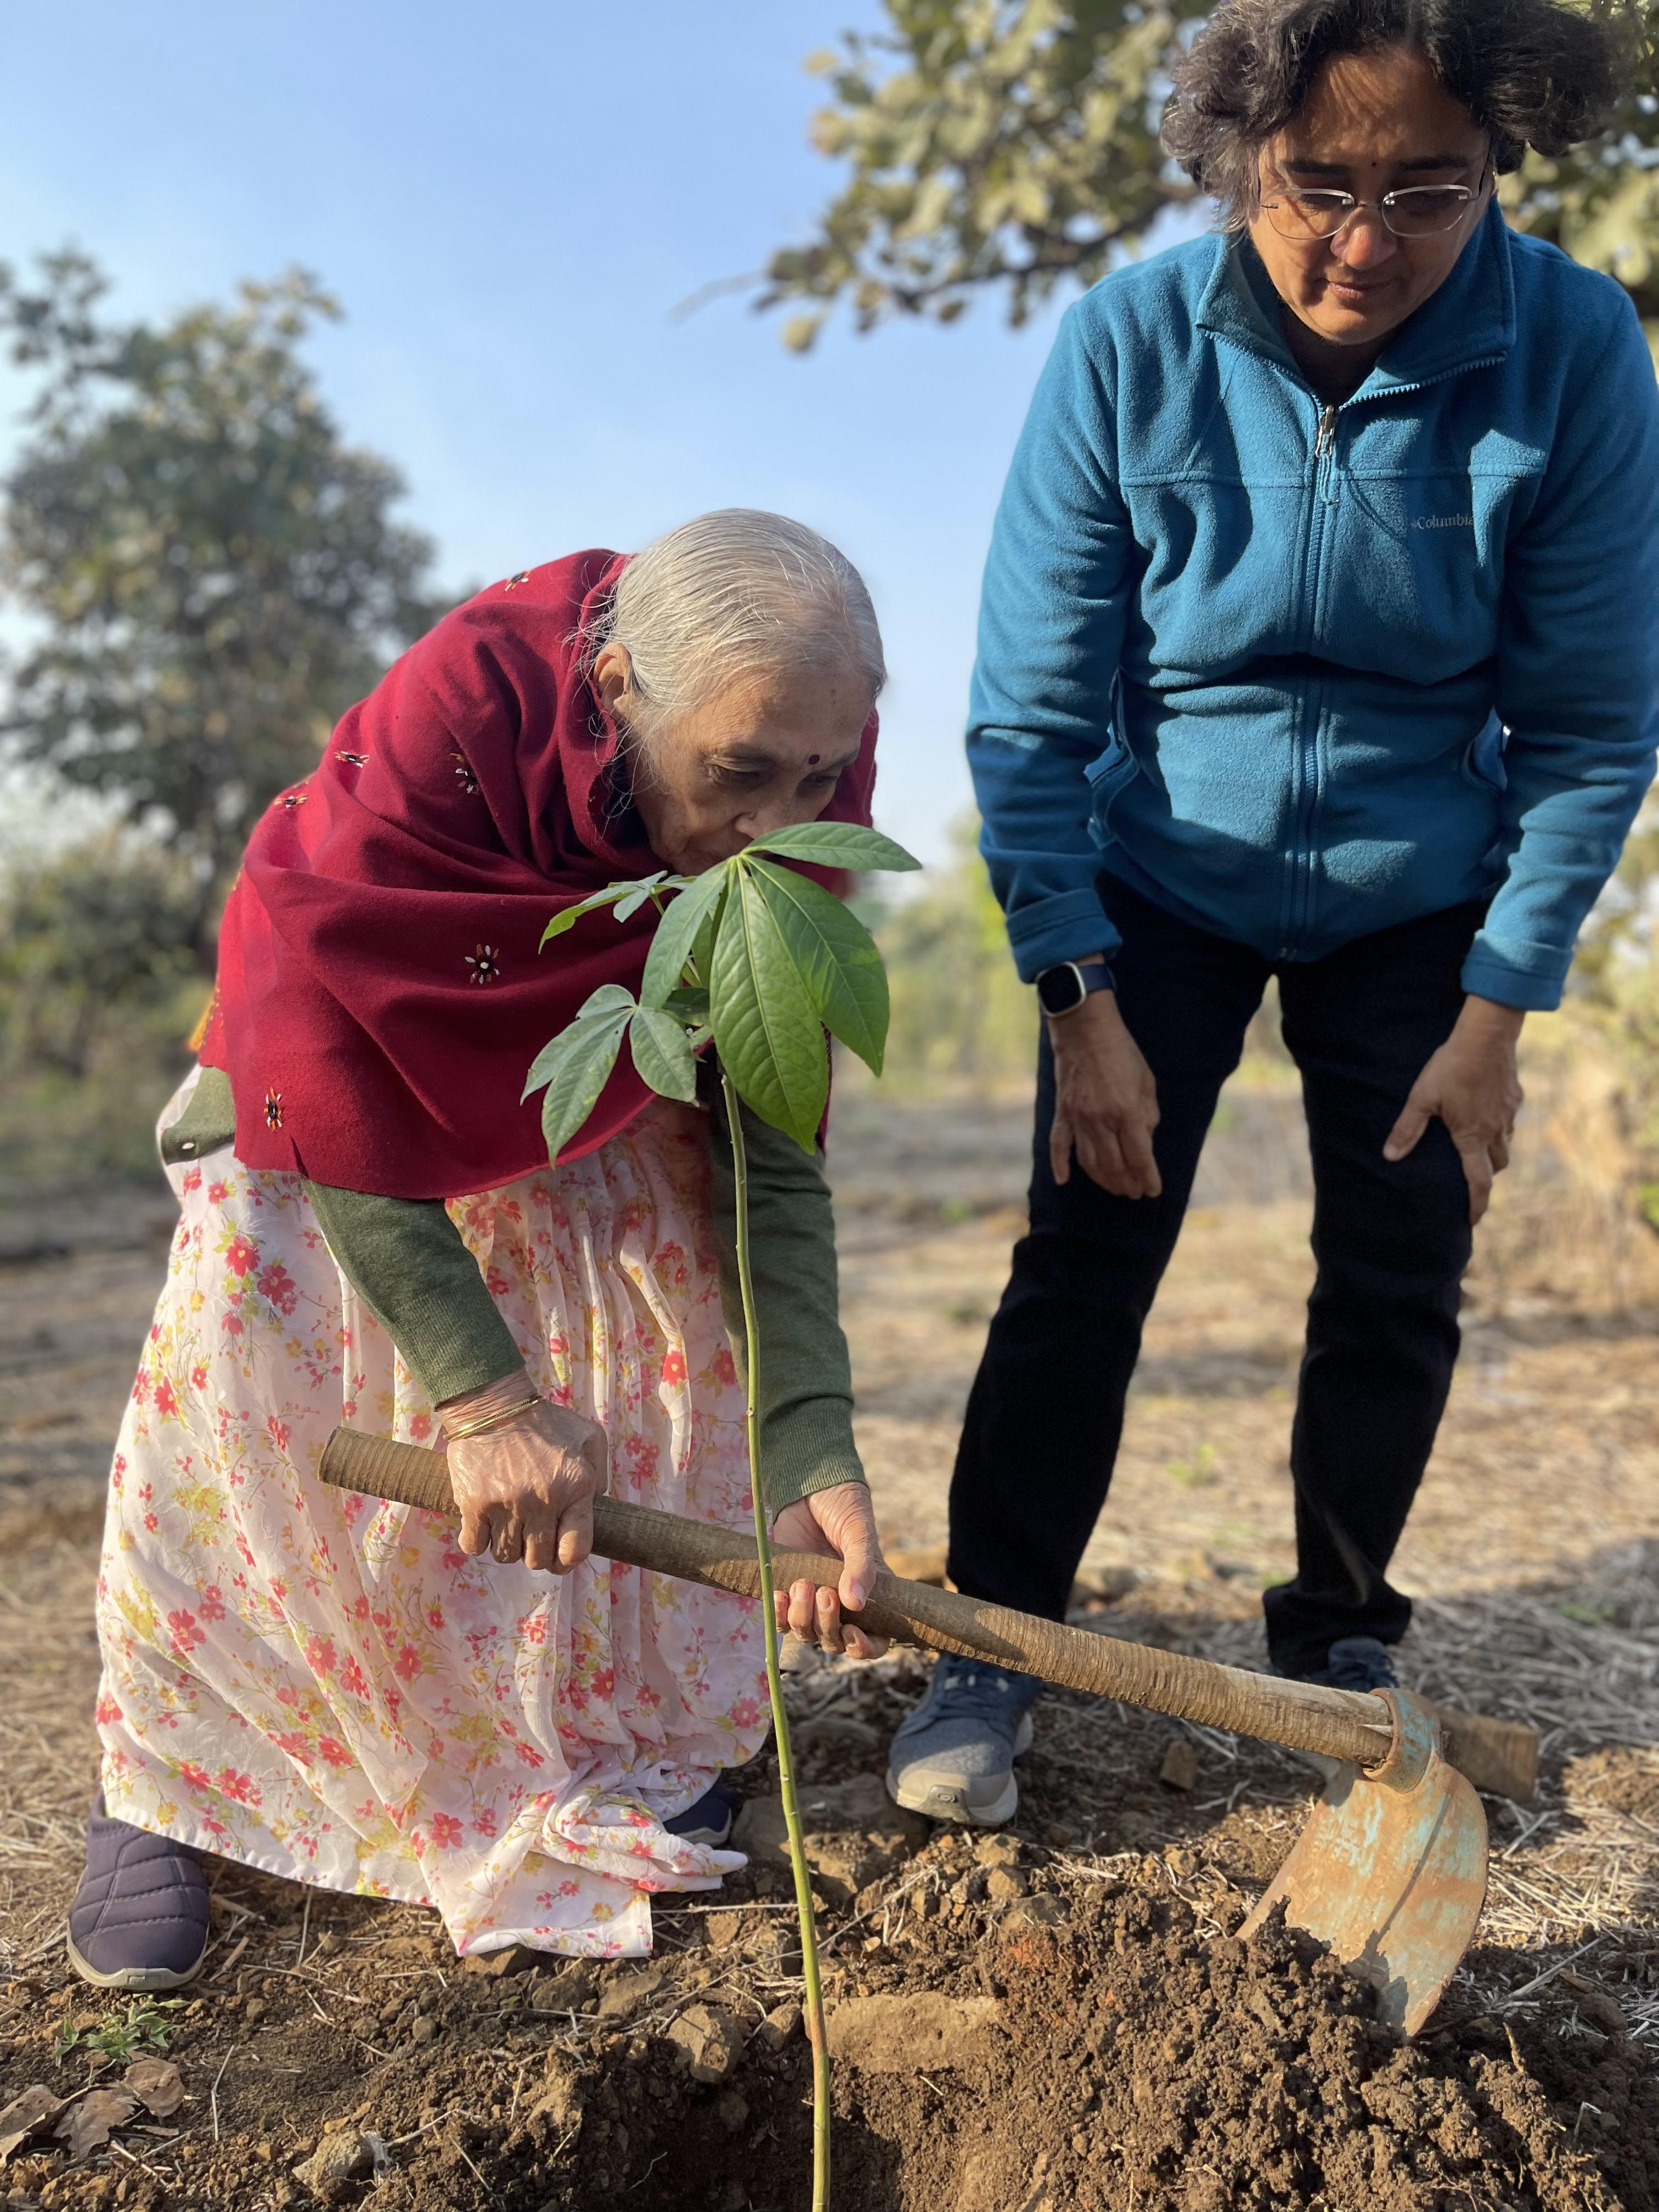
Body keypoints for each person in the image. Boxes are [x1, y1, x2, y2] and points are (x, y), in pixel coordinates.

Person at [888, 0, 1659, 1826]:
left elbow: (1591, 719)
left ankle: (1336, 1646)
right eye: (1318, 187)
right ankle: (992, 1641)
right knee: (1084, 1256)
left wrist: (1500, 1006)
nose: (1365, 245)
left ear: (1502, 170)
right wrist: (1078, 989)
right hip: (1157, 875)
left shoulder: (1574, 349)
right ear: (1242, 155)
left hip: (1425, 896)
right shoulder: (1129, 345)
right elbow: (1031, 709)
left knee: (1401, 1266)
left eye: (1428, 193)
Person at [69, 511, 890, 1989]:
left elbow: (766, 1147)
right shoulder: (461, 725)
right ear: (623, 688)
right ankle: (174, 1778)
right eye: (742, 774)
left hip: (596, 1092)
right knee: (254, 1273)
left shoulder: (801, 778)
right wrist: (483, 1397)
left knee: (658, 1261)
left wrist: (813, 1448)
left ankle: (606, 1724)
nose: (780, 821)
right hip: (323, 1076)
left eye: (822, 776)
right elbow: (312, 1045)